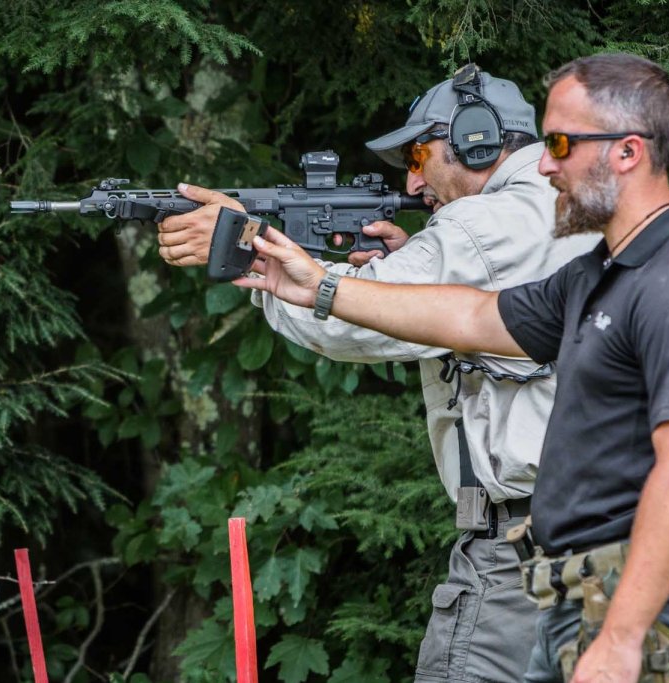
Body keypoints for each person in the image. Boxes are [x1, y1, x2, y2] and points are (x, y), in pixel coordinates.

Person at [232, 52, 669, 683]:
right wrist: (322, 287)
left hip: (630, 586)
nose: (544, 164)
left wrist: (621, 637)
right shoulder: (601, 273)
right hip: (573, 571)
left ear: (628, 152)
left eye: (559, 143)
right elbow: (474, 318)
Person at [157, 66, 596, 682]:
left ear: (477, 139)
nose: (413, 182)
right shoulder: (561, 208)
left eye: (420, 154)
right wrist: (397, 273)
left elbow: (345, 321)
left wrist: (248, 247)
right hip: (598, 533)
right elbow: (453, 310)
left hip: (524, 550)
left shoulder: (483, 225)